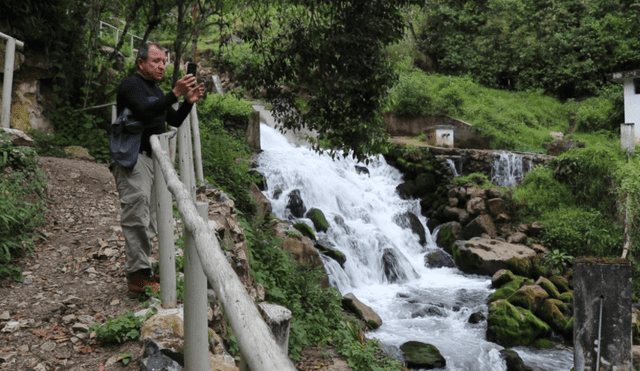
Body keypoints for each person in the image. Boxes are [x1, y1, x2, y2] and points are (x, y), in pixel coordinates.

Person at [111, 42, 205, 295]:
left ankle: (144, 271)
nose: (162, 65)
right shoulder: (130, 85)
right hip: (134, 158)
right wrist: (174, 94)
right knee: (136, 216)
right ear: (141, 63)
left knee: (151, 217)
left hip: (154, 159)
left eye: (164, 61)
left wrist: (188, 102)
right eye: (156, 61)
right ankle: (137, 277)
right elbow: (143, 112)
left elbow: (171, 119)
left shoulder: (156, 89)